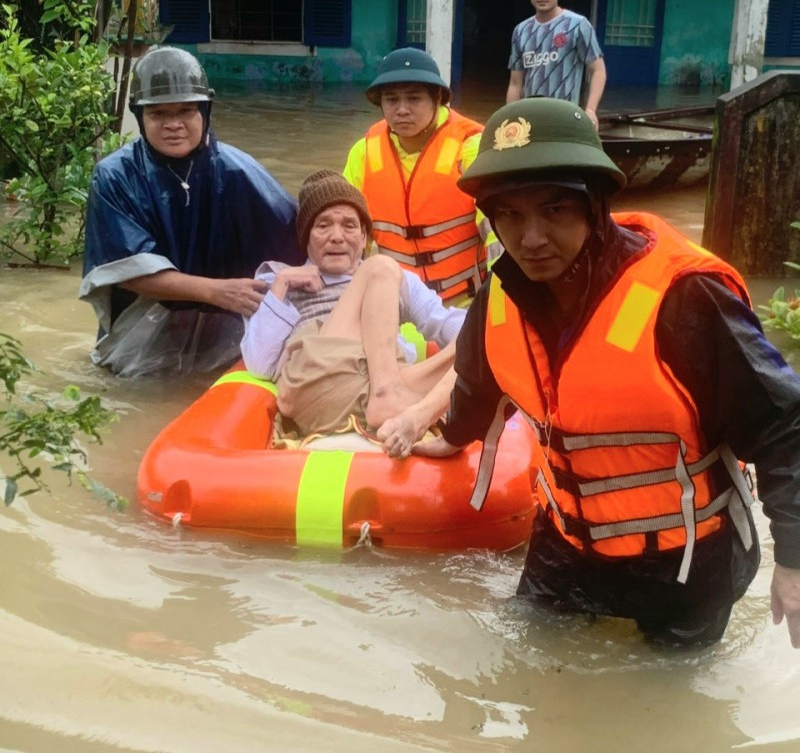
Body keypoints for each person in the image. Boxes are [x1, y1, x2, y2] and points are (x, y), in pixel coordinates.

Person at [415, 96, 800, 649]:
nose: (530, 239)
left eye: (553, 211)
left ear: (595, 206)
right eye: (511, 216)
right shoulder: (498, 296)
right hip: (564, 547)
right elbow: (478, 386)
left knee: (664, 711)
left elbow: (784, 424)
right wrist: (450, 437)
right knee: (524, 674)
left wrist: (793, 559)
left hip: (685, 560)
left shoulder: (686, 299)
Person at [79, 46, 303, 378]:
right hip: (144, 328)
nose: (174, 125)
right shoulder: (115, 176)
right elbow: (125, 269)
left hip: (227, 328)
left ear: (204, 112)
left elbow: (299, 239)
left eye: (185, 111)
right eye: (158, 114)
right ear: (140, 117)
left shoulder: (237, 172)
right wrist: (217, 291)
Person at [241, 170, 465, 443]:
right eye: (323, 225)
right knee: (381, 266)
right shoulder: (277, 277)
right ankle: (389, 395)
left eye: (349, 225)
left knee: (482, 336)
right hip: (316, 382)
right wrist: (282, 284)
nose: (337, 236)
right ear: (306, 237)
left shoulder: (397, 281)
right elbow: (259, 364)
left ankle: (396, 400)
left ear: (363, 237)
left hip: (371, 385)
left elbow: (443, 322)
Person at [343, 47, 499, 308]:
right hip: (398, 302)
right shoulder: (364, 153)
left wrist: (499, 296)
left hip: (466, 302)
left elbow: (498, 230)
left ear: (437, 97)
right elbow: (347, 229)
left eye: (414, 99)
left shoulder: (471, 147)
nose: (402, 110)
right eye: (391, 100)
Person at [506, 0, 606, 129]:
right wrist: (509, 119)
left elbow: (598, 70)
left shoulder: (577, 25)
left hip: (566, 118)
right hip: (530, 119)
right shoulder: (521, 31)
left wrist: (590, 110)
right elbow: (516, 83)